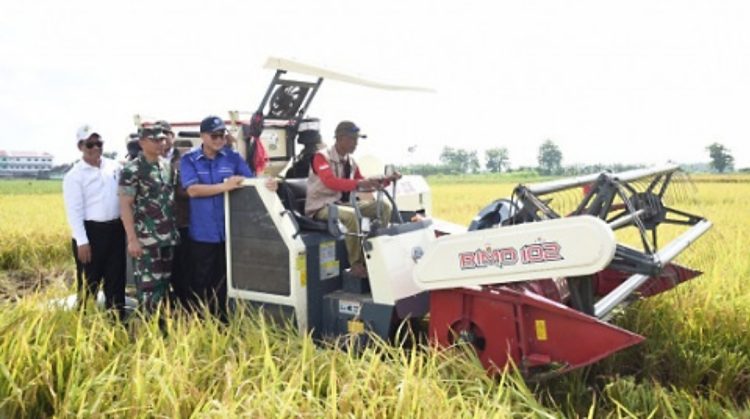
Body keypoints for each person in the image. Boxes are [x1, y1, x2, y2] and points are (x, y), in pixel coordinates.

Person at [180, 115, 276, 318]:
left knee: (224, 282)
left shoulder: (233, 158)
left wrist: (267, 184)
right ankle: (198, 323)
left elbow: (251, 183)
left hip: (230, 234)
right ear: (202, 136)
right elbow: (193, 191)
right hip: (203, 234)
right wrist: (225, 186)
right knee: (200, 281)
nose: (219, 139)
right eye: (214, 135)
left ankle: (222, 323)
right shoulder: (188, 160)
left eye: (222, 135)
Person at [305, 121, 400, 278]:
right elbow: (330, 182)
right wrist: (359, 183)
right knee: (351, 216)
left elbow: (361, 183)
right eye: (352, 139)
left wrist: (386, 180)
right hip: (321, 207)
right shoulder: (321, 157)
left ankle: (373, 256)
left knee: (383, 207)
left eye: (357, 140)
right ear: (341, 138)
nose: (356, 144)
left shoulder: (351, 162)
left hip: (342, 204)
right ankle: (356, 265)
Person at [63, 125, 126, 317]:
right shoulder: (74, 176)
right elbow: (74, 211)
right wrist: (82, 241)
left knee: (116, 280)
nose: (95, 148)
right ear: (80, 146)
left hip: (115, 230)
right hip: (91, 233)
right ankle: (84, 326)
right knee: (89, 282)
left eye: (99, 143)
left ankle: (116, 324)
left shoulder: (115, 167)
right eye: (90, 144)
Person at [119, 127, 179, 312]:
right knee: (147, 292)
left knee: (165, 287)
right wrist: (132, 240)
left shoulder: (168, 167)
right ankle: (147, 332)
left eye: (162, 140)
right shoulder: (132, 170)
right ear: (142, 143)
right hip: (146, 242)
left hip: (168, 239)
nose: (161, 143)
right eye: (155, 140)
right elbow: (125, 206)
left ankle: (163, 332)